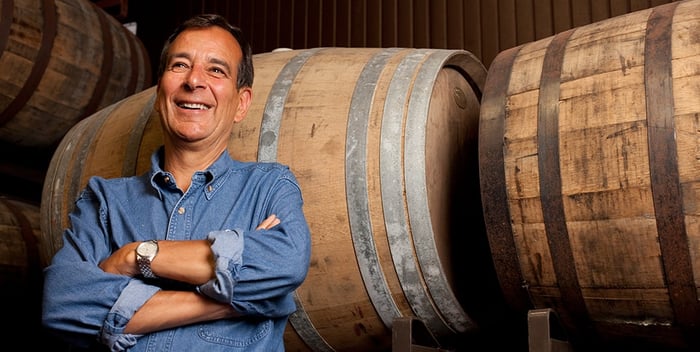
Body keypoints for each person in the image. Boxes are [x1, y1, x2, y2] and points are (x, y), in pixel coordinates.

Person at [42, 14, 312, 352]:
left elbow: (285, 263)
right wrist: (235, 299)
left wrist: (135, 256)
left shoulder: (269, 187)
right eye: (180, 65)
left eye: (216, 70)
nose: (194, 81)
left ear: (241, 103)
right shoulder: (105, 201)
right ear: (159, 94)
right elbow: (63, 306)